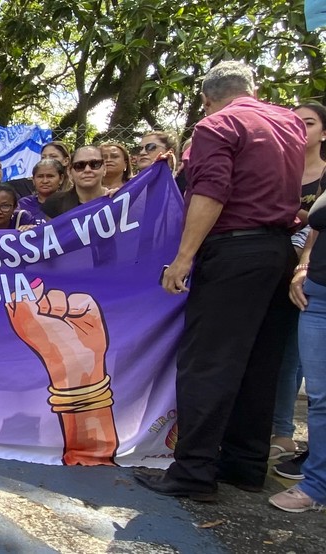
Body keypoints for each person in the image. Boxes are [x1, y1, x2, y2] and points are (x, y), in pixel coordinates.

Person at [136, 60, 306, 501]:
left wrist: (183, 257)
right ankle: (245, 465)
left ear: (208, 99)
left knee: (208, 364)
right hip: (278, 253)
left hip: (233, 253)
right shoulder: (289, 123)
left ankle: (193, 472)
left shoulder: (217, 125)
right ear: (253, 88)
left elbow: (212, 190)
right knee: (259, 364)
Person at [270, 102, 326, 461]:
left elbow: (318, 225)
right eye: (294, 121)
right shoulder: (279, 167)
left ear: (323, 132)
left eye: (308, 122)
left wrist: (302, 264)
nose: (299, 128)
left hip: (307, 269)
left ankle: (283, 432)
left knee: (293, 354)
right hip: (272, 261)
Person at [270, 193, 326, 512]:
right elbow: (317, 226)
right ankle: (317, 486)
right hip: (317, 297)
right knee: (320, 398)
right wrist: (303, 267)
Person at [41, 146, 107, 219]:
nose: (87, 170)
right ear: (69, 171)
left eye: (94, 164)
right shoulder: (55, 203)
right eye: (79, 165)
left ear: (104, 169)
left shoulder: (117, 200)